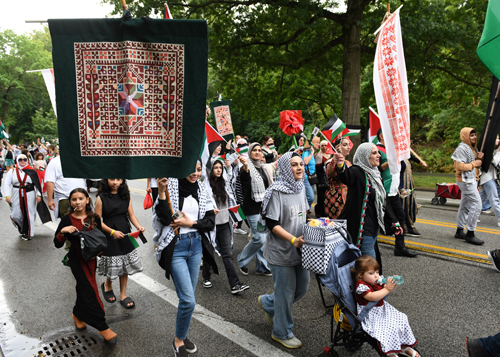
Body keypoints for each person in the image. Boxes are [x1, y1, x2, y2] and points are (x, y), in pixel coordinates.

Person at [152, 159, 218, 357]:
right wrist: (162, 192)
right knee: (188, 300)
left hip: (196, 245)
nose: (195, 173)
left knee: (187, 299)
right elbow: (164, 218)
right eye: (191, 169)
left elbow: (210, 222)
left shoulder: (202, 189)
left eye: (198, 169)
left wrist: (192, 222)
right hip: (177, 248)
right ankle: (178, 340)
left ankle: (182, 334)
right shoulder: (170, 186)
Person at [258, 152, 310, 349]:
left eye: (300, 165)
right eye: (294, 165)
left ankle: (269, 302)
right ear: (286, 168)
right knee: (286, 293)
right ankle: (282, 332)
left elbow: (303, 215)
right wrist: (293, 239)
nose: (298, 168)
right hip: (280, 251)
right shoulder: (276, 191)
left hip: (300, 249)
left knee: (302, 287)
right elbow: (272, 224)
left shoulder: (300, 187)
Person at [53, 188, 117, 343]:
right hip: (77, 260)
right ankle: (102, 326)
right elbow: (57, 243)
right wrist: (63, 231)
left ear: (87, 200)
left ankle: (77, 313)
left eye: (81, 198)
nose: (78, 202)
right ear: (70, 202)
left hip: (92, 260)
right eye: (74, 199)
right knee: (90, 289)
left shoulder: (94, 217)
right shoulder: (67, 219)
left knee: (83, 288)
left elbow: (99, 238)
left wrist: (100, 252)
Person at [333, 143, 402, 259]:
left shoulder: (375, 173)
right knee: (369, 263)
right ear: (365, 156)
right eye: (374, 153)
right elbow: (346, 176)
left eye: (378, 152)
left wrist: (394, 222)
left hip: (374, 226)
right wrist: (340, 165)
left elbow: (383, 199)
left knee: (365, 265)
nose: (379, 155)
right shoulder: (357, 171)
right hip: (362, 227)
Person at [352, 255, 418, 357]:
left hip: (382, 309)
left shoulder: (376, 281)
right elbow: (372, 297)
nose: (376, 276)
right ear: (361, 275)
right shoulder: (362, 286)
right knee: (387, 329)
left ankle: (403, 347)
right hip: (370, 314)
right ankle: (390, 352)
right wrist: (386, 289)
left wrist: (392, 285)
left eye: (377, 272)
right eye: (371, 273)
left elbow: (388, 290)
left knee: (402, 319)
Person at [202, 158, 250, 294]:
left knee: (227, 254)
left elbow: (231, 203)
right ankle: (206, 276)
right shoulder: (205, 186)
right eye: (215, 168)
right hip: (211, 225)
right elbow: (202, 205)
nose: (218, 170)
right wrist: (210, 209)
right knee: (209, 252)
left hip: (224, 224)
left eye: (220, 168)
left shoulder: (225, 184)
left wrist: (233, 218)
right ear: (211, 171)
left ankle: (235, 284)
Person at [95, 179, 145, 309]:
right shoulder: (101, 198)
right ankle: (107, 285)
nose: (115, 182)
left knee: (124, 264)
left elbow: (131, 214)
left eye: (118, 179)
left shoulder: (125, 194)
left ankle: (123, 294)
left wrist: (139, 226)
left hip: (124, 232)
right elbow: (97, 221)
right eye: (112, 179)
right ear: (106, 180)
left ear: (122, 180)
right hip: (110, 233)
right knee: (113, 264)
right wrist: (112, 232)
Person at [376, 130, 418, 257]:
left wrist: (400, 188)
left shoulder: (392, 150)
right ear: (382, 136)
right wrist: (390, 162)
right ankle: (370, 250)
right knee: (392, 220)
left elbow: (397, 172)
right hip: (383, 192)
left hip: (394, 192)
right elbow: (375, 170)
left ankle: (400, 247)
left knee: (401, 216)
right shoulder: (377, 150)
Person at [237, 142, 275, 276]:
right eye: (254, 150)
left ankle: (262, 267)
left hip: (264, 207)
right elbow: (245, 181)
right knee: (259, 238)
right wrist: (246, 167)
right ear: (249, 153)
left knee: (264, 237)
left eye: (259, 150)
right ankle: (241, 260)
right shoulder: (244, 168)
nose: (258, 152)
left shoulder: (263, 168)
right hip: (252, 208)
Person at [452, 127, 484, 245]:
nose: (474, 137)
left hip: (471, 180)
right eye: (471, 135)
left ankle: (459, 231)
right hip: (465, 181)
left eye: (475, 135)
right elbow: (459, 167)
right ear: (465, 136)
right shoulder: (461, 148)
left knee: (465, 205)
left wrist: (480, 159)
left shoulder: (473, 148)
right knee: (477, 204)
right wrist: (474, 163)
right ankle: (470, 233)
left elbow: (475, 163)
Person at [2, 154, 43, 240]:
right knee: (15, 215)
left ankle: (28, 232)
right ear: (17, 160)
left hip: (29, 192)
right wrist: (7, 196)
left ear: (27, 160)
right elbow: (6, 184)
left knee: (29, 213)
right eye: (20, 160)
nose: (23, 161)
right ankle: (21, 227)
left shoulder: (31, 171)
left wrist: (39, 195)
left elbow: (37, 183)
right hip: (16, 193)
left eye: (24, 159)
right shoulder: (12, 171)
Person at [45, 155, 87, 220]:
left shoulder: (81, 159)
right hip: (64, 197)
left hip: (82, 196)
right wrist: (50, 200)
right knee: (67, 222)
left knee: (85, 221)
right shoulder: (54, 162)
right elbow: (50, 182)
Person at [324, 137, 352, 219]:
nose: (348, 147)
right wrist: (336, 159)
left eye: (349, 145)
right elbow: (330, 172)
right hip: (336, 197)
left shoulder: (348, 162)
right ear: (337, 147)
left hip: (348, 195)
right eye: (345, 145)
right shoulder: (330, 162)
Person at [479, 137, 500, 227]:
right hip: (486, 178)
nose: (497, 140)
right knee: (494, 199)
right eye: (497, 138)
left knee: (479, 199)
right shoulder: (492, 152)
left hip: (493, 178)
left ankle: (469, 215)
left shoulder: (495, 152)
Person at [298, 135, 316, 210]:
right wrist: (312, 153)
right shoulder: (307, 151)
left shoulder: (311, 152)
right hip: (305, 177)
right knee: (311, 197)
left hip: (311, 177)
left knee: (309, 196)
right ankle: (303, 210)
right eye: (317, 142)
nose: (319, 144)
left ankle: (305, 212)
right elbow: (305, 162)